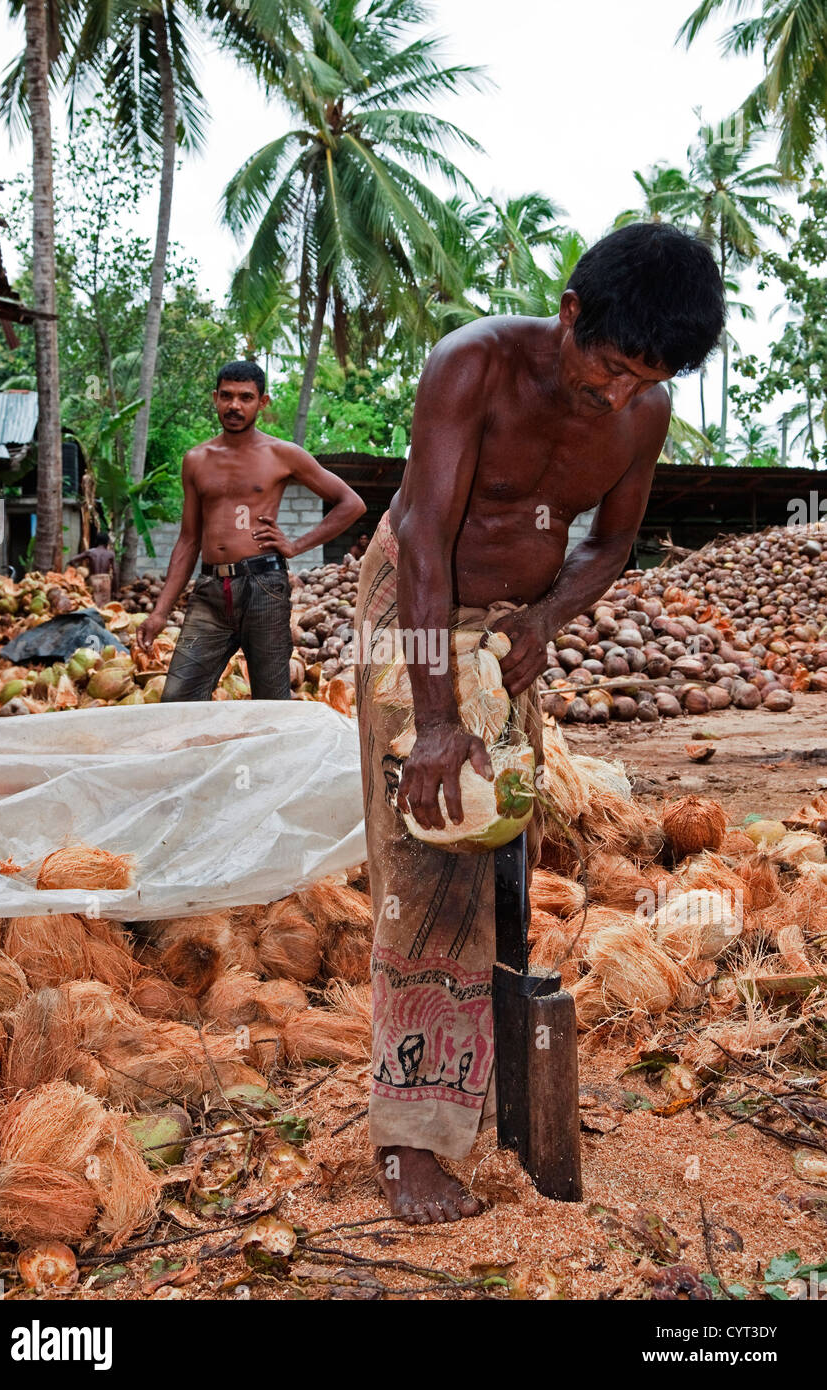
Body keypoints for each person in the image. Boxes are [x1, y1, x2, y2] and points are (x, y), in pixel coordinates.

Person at [353, 223, 726, 1224]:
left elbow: (612, 542)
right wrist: (434, 718)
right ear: (567, 314)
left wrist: (545, 618)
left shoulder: (638, 413)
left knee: (501, 849)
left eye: (642, 380)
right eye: (607, 366)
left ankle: (493, 1085)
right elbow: (425, 537)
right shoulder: (468, 365)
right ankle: (411, 1142)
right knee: (432, 849)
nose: (615, 394)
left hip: (508, 630)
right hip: (413, 611)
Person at [138, 361, 366, 700]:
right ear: (215, 398)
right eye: (227, 396)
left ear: (263, 402)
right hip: (210, 591)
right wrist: (159, 612)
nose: (234, 406)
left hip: (264, 588)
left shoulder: (282, 454)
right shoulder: (196, 459)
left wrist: (295, 545)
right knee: (177, 699)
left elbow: (351, 503)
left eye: (246, 397)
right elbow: (188, 541)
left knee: (271, 702)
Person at [67, 530, 116, 606]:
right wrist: (115, 589)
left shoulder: (90, 552)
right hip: (106, 580)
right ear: (107, 542)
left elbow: (72, 560)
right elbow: (115, 572)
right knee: (105, 606)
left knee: (92, 604)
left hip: (93, 579)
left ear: (96, 541)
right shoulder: (110, 554)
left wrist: (79, 571)